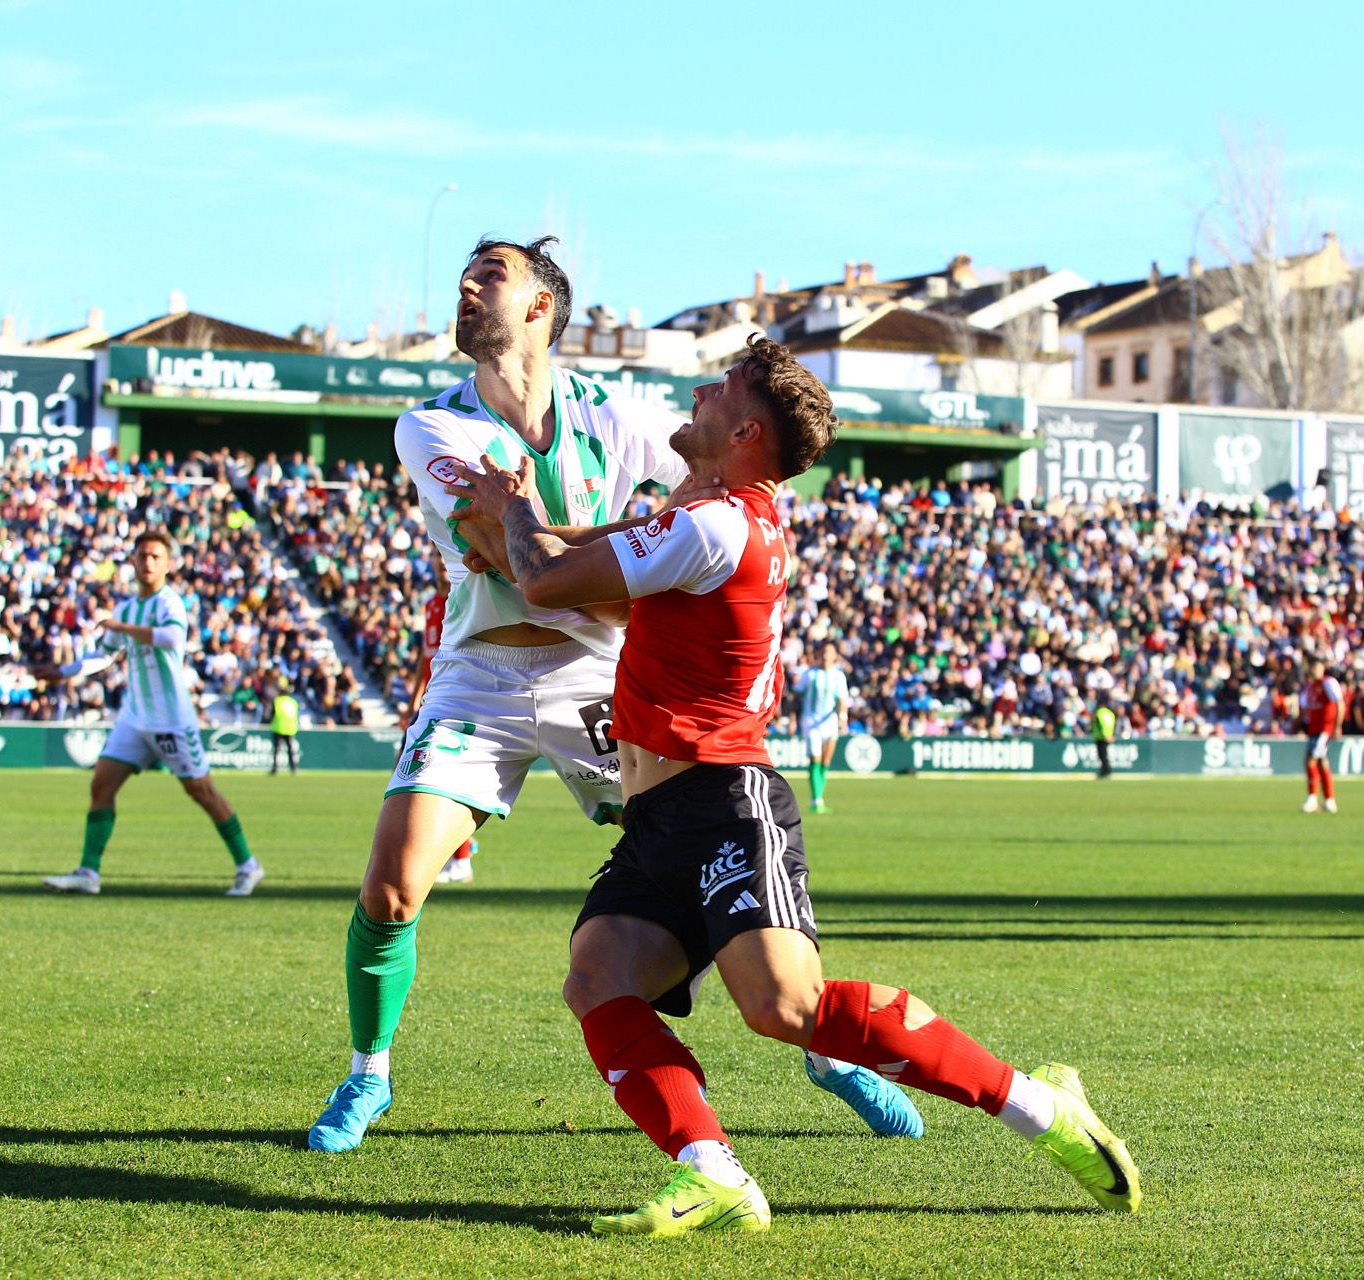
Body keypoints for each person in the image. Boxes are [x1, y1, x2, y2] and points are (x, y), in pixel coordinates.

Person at [454, 334, 1139, 1236]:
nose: (695, 391)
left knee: (785, 1007)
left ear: (744, 430)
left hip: (723, 802)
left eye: (718, 387)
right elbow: (590, 553)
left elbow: (547, 577)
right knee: (600, 977)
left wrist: (511, 508)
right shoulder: (715, 512)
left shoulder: (714, 524)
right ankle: (714, 1173)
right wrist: (525, 536)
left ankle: (1041, 1107)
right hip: (662, 814)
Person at [307, 237, 915, 1152]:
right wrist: (613, 546)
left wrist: (585, 546)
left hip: (603, 675)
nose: (467, 288)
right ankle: (368, 1076)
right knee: (392, 885)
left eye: (491, 277)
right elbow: (497, 549)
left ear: (542, 307)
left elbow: (695, 520)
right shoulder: (431, 425)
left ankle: (824, 1046)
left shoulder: (620, 415)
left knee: (705, 853)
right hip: (483, 675)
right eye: (464, 277)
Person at [32, 530, 262, 897]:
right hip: (134, 717)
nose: (148, 562)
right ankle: (89, 873)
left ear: (168, 564)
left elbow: (172, 638)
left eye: (155, 556)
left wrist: (121, 628)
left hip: (172, 718)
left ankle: (248, 865)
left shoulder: (169, 603)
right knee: (101, 784)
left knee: (201, 791)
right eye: (142, 556)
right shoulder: (126, 607)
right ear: (134, 561)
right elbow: (104, 655)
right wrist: (64, 672)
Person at [404, 558, 478, 885]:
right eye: (434, 560)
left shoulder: (466, 594)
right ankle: (460, 850)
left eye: (441, 559)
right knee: (428, 778)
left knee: (442, 778)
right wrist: (414, 702)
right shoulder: (433, 604)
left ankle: (460, 856)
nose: (439, 566)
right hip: (437, 698)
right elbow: (426, 659)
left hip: (462, 695)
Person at [793, 641, 849, 813]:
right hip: (811, 724)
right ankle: (816, 800)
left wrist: (842, 718)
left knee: (826, 761)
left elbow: (842, 700)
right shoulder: (810, 674)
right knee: (815, 759)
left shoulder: (838, 676)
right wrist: (795, 717)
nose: (826, 654)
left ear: (834, 656)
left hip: (830, 723)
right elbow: (796, 692)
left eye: (829, 651)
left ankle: (819, 798)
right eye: (824, 650)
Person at [1300, 660, 1342, 813]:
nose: (1313, 670)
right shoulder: (1310, 688)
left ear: (1323, 669)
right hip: (1314, 729)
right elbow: (1305, 708)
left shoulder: (1328, 683)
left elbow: (1339, 703)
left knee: (1310, 759)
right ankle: (1330, 801)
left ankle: (1312, 798)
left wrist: (1337, 726)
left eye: (1316, 667)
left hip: (1325, 729)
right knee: (1322, 762)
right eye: (1312, 667)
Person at [269, 681, 300, 775]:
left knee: (276, 750)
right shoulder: (293, 702)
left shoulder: (277, 701)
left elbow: (272, 714)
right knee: (290, 750)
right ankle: (293, 768)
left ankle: (275, 768)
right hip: (290, 728)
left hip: (279, 728)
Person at [1090, 699, 1116, 779]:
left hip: (1101, 737)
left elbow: (1102, 724)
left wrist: (1106, 735)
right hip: (1108, 735)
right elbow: (1111, 724)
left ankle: (1106, 771)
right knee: (1104, 755)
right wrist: (1110, 734)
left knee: (1102, 755)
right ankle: (1106, 771)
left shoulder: (1099, 713)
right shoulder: (1110, 713)